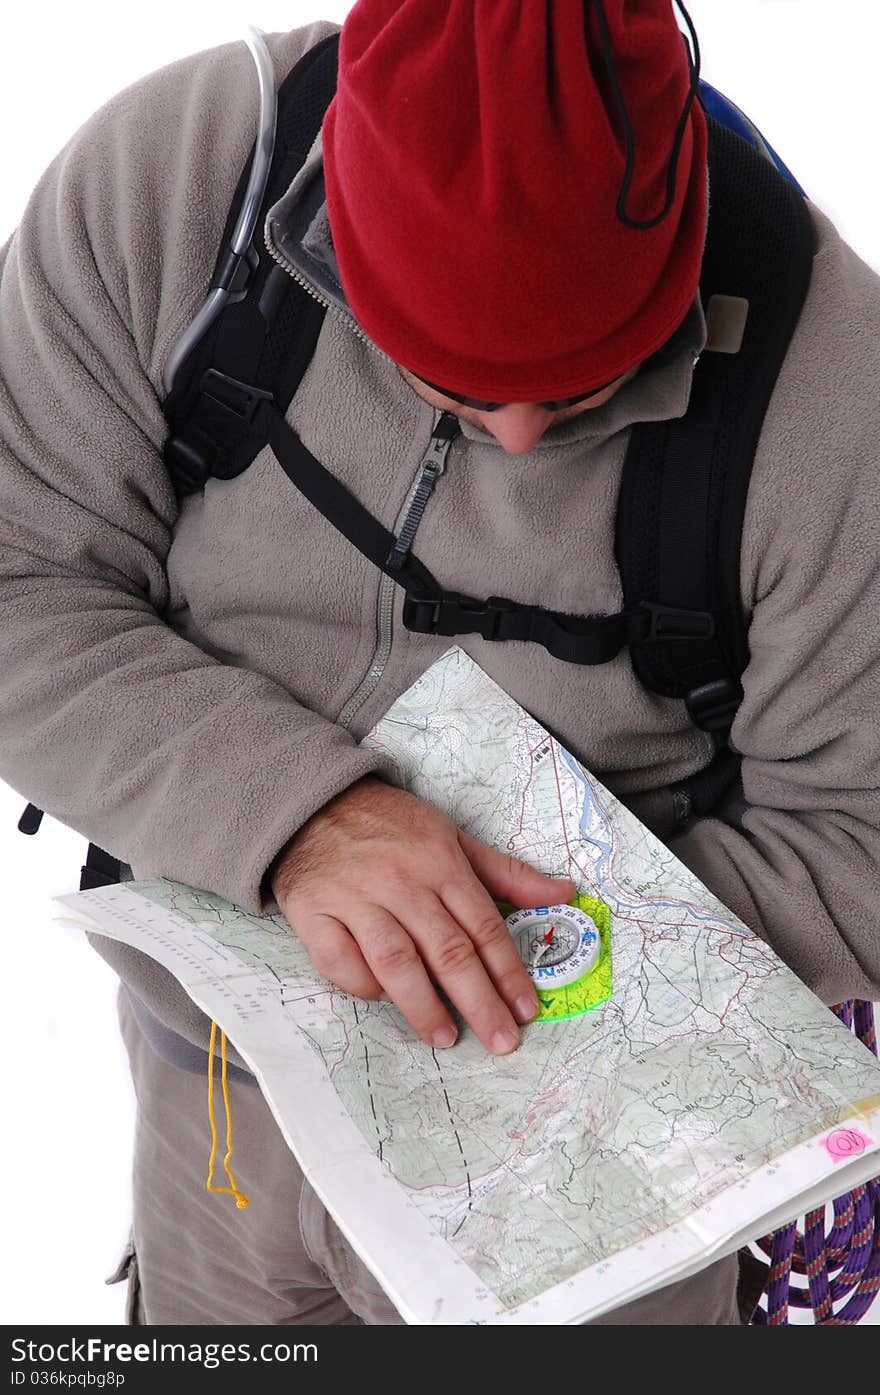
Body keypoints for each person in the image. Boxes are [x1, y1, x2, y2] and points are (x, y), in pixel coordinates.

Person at [1, 0, 879, 1327]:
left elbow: (863, 833)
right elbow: (18, 572)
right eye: (452, 383)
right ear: (330, 234)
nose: (521, 443)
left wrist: (528, 942)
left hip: (609, 1172)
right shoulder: (176, 187)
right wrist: (297, 818)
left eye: (589, 386)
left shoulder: (840, 396)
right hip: (216, 1102)